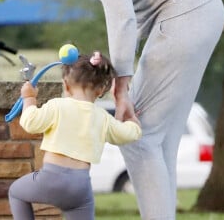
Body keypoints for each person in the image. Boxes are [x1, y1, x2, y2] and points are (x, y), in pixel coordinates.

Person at [4, 0, 224, 219]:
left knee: (139, 138)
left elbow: (121, 16)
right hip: (201, 8)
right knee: (160, 141)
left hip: (185, 15)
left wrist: (121, 86)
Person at [9, 51, 142, 220]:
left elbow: (30, 122)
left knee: (16, 193)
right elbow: (127, 134)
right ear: (101, 90)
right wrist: (133, 122)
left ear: (66, 85)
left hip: (50, 179)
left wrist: (29, 98)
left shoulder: (57, 106)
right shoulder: (102, 117)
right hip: (80, 187)